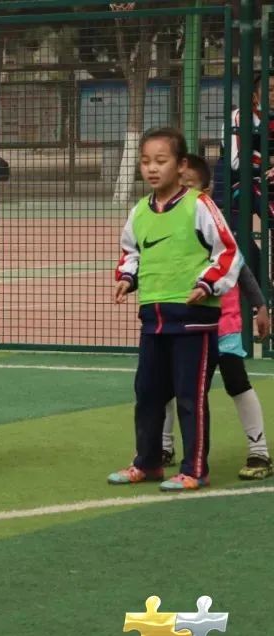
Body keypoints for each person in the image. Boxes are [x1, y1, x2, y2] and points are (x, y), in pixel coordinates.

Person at [109, 128, 240, 492]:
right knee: (148, 393)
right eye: (145, 161)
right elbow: (130, 252)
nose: (152, 168)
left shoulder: (199, 205)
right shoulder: (139, 211)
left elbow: (228, 252)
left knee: (189, 396)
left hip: (194, 321)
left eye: (161, 161)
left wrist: (206, 284)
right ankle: (148, 462)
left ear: (181, 166)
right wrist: (127, 278)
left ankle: (195, 470)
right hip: (153, 321)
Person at [160, 153, 273, 479]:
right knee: (171, 385)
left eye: (190, 186)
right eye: (179, 186)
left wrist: (260, 306)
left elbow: (242, 271)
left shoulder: (216, 228)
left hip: (223, 326)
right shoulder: (170, 228)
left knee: (236, 382)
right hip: (187, 324)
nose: (184, 193)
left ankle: (259, 453)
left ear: (207, 191)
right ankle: (164, 446)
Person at [215, 71, 274, 274]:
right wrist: (268, 163)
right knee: (238, 240)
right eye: (269, 90)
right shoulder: (240, 118)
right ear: (255, 96)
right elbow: (236, 163)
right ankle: (258, 282)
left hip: (262, 183)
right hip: (233, 187)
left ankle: (265, 284)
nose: (273, 95)